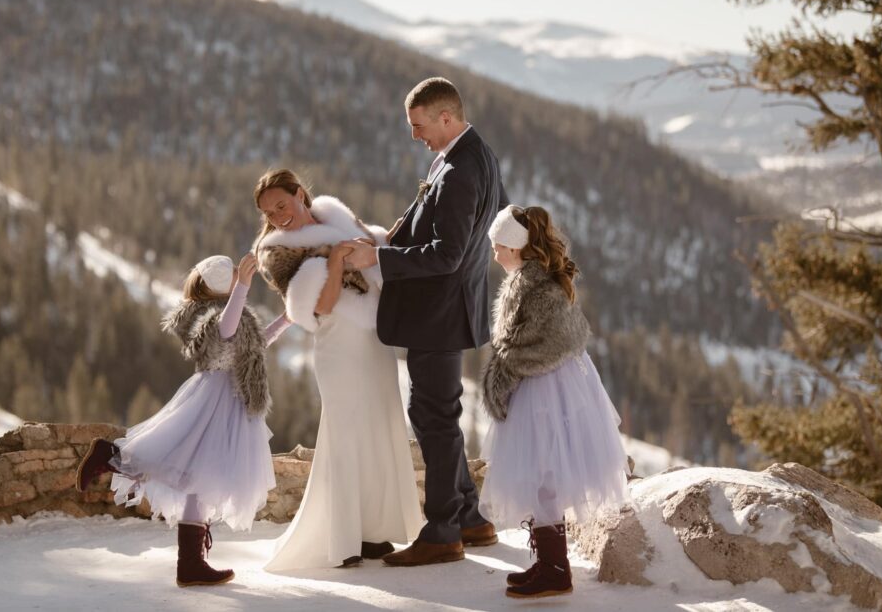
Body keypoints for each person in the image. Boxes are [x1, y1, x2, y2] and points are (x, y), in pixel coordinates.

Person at [343, 77, 509, 566]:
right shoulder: (477, 154)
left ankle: (442, 533)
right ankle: (471, 519)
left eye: (419, 127)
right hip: (451, 308)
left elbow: (448, 254)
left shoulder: (459, 169)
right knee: (435, 413)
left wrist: (379, 259)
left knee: (435, 419)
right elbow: (490, 218)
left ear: (445, 117)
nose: (416, 137)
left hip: (439, 314)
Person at [75, 253, 288, 587]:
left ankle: (190, 564)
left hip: (229, 399)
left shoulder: (230, 312)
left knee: (200, 478)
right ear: (223, 284)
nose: (238, 275)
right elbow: (225, 331)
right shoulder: (215, 317)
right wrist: (242, 288)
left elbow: (255, 345)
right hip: (216, 399)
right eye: (232, 274)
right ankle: (111, 457)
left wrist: (286, 319)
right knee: (183, 466)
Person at [252, 168, 423, 571]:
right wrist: (334, 262)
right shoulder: (276, 253)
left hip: (372, 342)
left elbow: (374, 255)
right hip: (337, 348)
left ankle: (372, 532)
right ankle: (341, 539)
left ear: (300, 194)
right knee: (344, 436)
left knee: (379, 429)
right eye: (269, 212)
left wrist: (381, 242)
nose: (278, 217)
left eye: (282, 205)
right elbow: (319, 307)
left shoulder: (336, 218)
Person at [480, 205, 629, 598]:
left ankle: (555, 569)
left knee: (545, 473)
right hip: (549, 383)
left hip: (547, 388)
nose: (494, 253)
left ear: (515, 248)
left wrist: (506, 371)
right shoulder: (528, 281)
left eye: (498, 246)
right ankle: (550, 562)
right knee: (543, 475)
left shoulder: (536, 287)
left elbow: (541, 345)